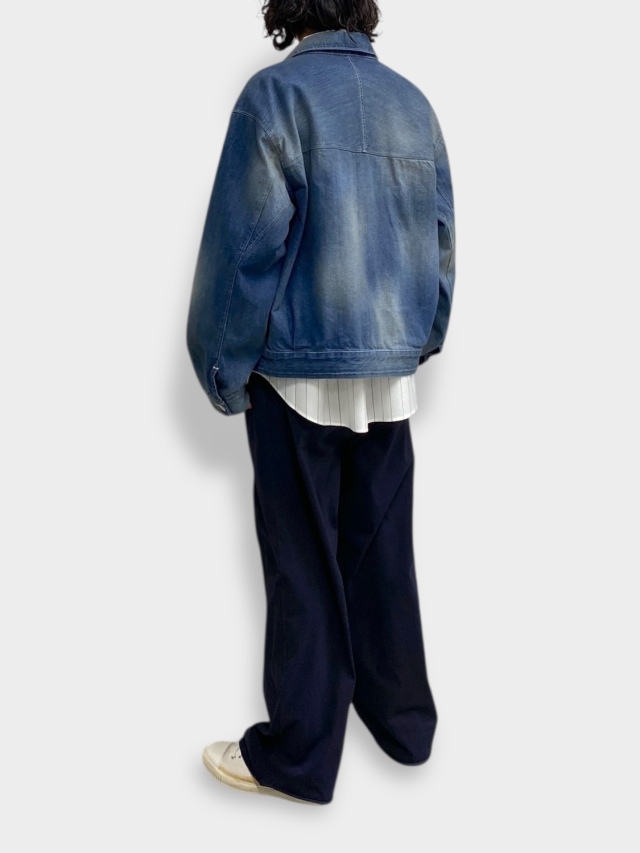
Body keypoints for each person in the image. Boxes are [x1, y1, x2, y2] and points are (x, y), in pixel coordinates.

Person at [186, 0, 456, 806]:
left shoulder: (276, 97)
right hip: (389, 372)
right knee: (383, 553)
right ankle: (403, 723)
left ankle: (299, 756)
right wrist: (420, 338)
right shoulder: (412, 103)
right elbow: (442, 243)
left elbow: (244, 249)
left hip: (297, 373)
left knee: (302, 561)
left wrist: (221, 365)